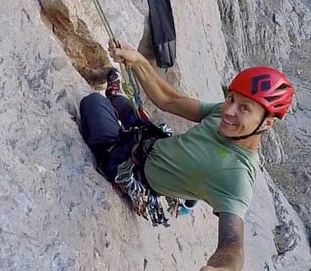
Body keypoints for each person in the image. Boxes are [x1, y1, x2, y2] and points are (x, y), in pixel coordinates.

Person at [77, 40, 294, 271]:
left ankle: (110, 117)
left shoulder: (235, 175)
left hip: (129, 168)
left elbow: (232, 243)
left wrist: (223, 268)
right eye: (231, 99)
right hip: (148, 140)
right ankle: (116, 103)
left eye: (244, 108)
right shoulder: (223, 116)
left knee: (93, 103)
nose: (229, 111)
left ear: (267, 123)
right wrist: (138, 61)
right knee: (121, 104)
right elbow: (170, 100)